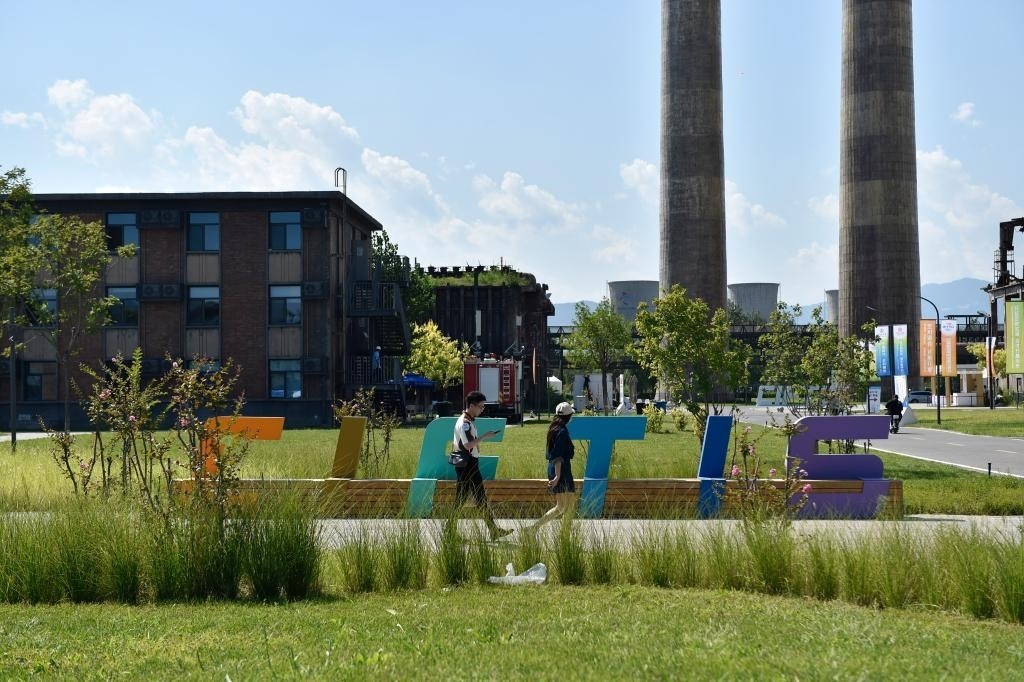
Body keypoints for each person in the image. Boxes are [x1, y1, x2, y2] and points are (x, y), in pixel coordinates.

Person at [451, 391, 512, 540]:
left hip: (469, 463)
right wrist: (485, 436)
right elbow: (468, 445)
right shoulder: (465, 423)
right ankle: (449, 531)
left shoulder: (467, 420)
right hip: (467, 464)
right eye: (481, 406)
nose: (482, 409)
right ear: (472, 405)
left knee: (478, 497)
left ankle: (493, 530)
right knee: (465, 498)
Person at [528, 401, 577, 532]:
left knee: (562, 507)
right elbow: (557, 455)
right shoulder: (562, 432)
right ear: (569, 416)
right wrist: (557, 476)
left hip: (557, 468)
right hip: (561, 470)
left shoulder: (554, 429)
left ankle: (534, 528)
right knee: (567, 506)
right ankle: (564, 536)